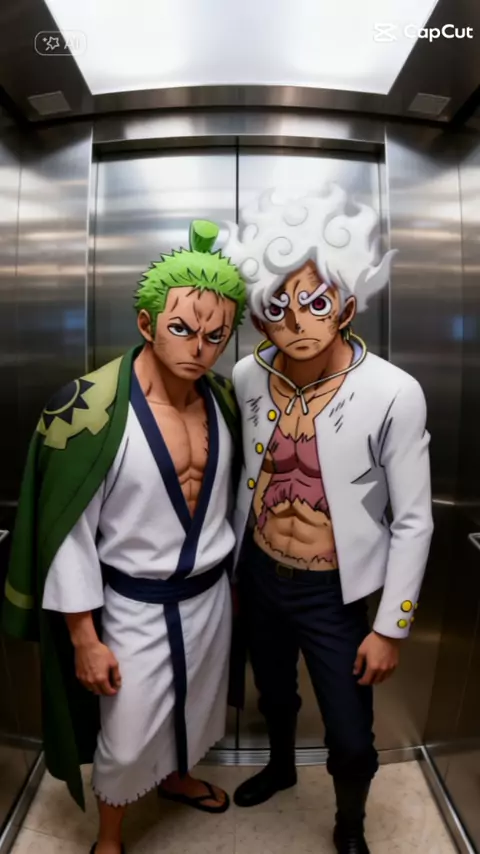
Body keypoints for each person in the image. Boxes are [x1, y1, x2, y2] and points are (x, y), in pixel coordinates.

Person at [2, 220, 246, 854]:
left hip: (209, 597)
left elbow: (228, 502)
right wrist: (85, 638)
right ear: (146, 323)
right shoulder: (87, 409)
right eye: (182, 328)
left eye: (215, 335)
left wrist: (233, 586)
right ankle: (109, 837)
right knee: (128, 729)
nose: (199, 347)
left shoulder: (222, 400)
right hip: (134, 603)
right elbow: (68, 534)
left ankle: (179, 778)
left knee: (199, 704)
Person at [223, 186, 434, 854]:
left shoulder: (394, 391)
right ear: (259, 318)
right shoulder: (246, 375)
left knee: (350, 734)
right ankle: (281, 766)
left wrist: (391, 626)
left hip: (334, 590)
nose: (297, 321)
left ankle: (350, 824)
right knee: (273, 692)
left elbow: (415, 520)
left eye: (316, 301)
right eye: (277, 306)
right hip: (260, 572)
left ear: (346, 303)